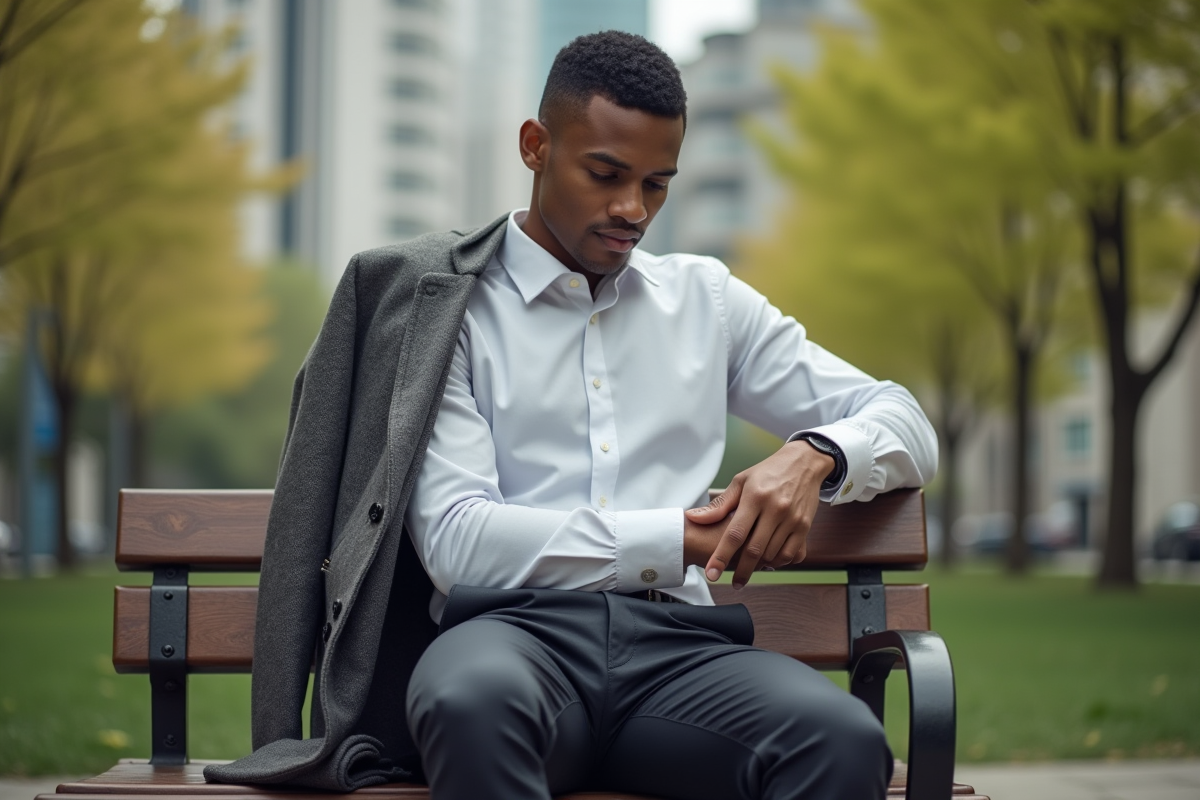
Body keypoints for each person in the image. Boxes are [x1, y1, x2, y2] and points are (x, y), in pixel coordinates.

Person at [206, 30, 936, 800]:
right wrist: (682, 537)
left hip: (680, 654)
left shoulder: (706, 303)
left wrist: (814, 453)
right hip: (509, 643)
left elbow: (904, 420)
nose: (633, 210)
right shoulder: (449, 311)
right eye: (605, 174)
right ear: (535, 146)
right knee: (468, 703)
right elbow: (460, 540)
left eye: (657, 184)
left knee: (844, 742)